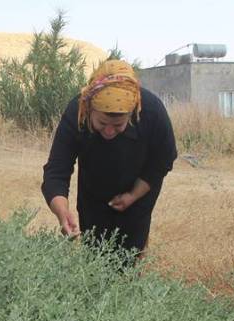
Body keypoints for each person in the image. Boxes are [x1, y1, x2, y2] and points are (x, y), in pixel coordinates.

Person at [41, 59, 177, 262]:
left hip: (140, 190)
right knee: (94, 255)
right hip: (93, 192)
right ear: (89, 109)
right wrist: (63, 213)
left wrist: (132, 195)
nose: (109, 131)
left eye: (118, 125)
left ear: (132, 114)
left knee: (130, 256)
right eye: (102, 123)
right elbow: (56, 171)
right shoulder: (76, 112)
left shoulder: (152, 111)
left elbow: (162, 161)